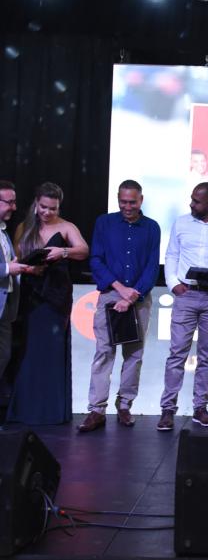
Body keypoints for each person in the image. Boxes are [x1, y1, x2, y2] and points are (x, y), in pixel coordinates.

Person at [78, 180, 160, 433]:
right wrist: (119, 289)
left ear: (141, 200)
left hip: (139, 297)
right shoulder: (104, 223)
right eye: (123, 202)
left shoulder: (152, 227)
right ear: (118, 199)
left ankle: (125, 405)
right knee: (104, 352)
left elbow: (152, 267)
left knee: (134, 355)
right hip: (110, 295)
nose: (127, 207)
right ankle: (97, 410)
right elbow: (96, 259)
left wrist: (131, 296)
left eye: (132, 202)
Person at [8, 182, 89, 425]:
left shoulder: (66, 227)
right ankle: (27, 409)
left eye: (53, 208)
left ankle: (51, 410)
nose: (47, 212)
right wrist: (29, 268)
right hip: (30, 294)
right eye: (43, 207)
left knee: (51, 352)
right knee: (29, 350)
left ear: (59, 207)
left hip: (55, 296)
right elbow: (15, 260)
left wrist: (63, 252)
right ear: (36, 203)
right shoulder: (24, 227)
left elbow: (83, 250)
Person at [156, 183, 208, 431]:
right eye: (192, 199)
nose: (192, 204)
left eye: (197, 201)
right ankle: (168, 409)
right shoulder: (181, 223)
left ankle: (200, 408)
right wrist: (173, 283)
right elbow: (171, 255)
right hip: (186, 294)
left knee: (207, 356)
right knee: (177, 353)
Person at [0, 181, 29, 390]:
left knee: (4, 355)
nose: (14, 207)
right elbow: (6, 268)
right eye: (9, 202)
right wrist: (8, 268)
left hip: (5, 309)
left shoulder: (4, 232)